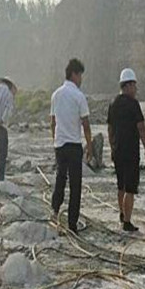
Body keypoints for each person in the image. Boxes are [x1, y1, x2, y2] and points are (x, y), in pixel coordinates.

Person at [50, 58, 92, 234]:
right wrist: (89, 145)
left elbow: (52, 121)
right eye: (80, 75)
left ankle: (54, 210)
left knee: (61, 177)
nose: (81, 79)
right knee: (75, 184)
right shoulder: (78, 96)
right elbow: (85, 123)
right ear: (74, 74)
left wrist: (55, 139)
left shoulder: (56, 94)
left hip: (60, 144)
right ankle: (72, 224)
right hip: (74, 144)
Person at [107, 68, 145, 232]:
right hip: (131, 152)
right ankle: (127, 221)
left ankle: (121, 213)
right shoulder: (134, 104)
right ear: (129, 85)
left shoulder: (113, 103)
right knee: (130, 188)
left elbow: (110, 129)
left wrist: (112, 147)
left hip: (118, 151)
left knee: (121, 186)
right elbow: (141, 128)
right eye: (135, 85)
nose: (136, 89)